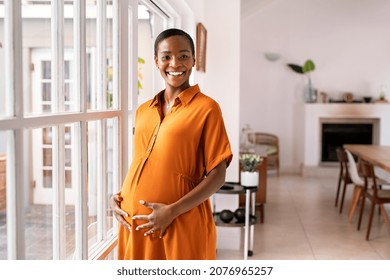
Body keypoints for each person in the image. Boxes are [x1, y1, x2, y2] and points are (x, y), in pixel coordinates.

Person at [111, 28, 233, 260]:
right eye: (166, 56)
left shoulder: (207, 108)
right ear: (156, 61)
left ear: (194, 60)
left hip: (179, 222)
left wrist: (172, 211)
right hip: (134, 224)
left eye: (184, 55)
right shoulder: (143, 110)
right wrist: (120, 195)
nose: (175, 63)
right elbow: (144, 163)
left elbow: (218, 175)